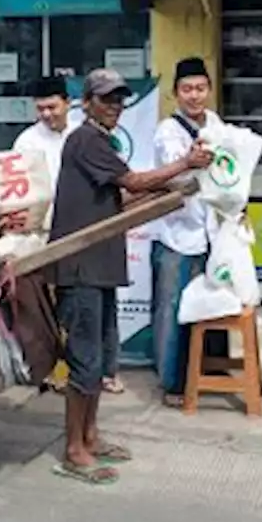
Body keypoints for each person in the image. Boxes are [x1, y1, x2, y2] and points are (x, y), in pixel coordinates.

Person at [49, 68, 211, 486]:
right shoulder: (85, 139)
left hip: (100, 266)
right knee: (85, 359)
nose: (115, 107)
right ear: (87, 103)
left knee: (102, 358)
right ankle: (73, 450)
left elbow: (123, 194)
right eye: (106, 100)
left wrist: (169, 186)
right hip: (81, 267)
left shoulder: (101, 142)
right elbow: (134, 180)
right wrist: (182, 164)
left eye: (120, 99)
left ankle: (90, 435)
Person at [15, 76, 124, 395]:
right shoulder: (27, 141)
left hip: (85, 232)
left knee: (99, 306)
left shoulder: (85, 132)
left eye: (52, 106)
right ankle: (57, 372)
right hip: (44, 232)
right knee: (56, 309)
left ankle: (104, 372)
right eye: (40, 109)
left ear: (68, 103)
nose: (47, 114)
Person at [150, 56, 227, 407]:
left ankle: (210, 369)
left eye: (200, 88)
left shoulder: (216, 124)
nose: (194, 96)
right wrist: (190, 164)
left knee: (212, 301)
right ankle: (172, 382)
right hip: (177, 233)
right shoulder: (168, 131)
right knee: (173, 307)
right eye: (186, 89)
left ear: (209, 90)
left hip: (212, 228)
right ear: (175, 93)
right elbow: (177, 177)